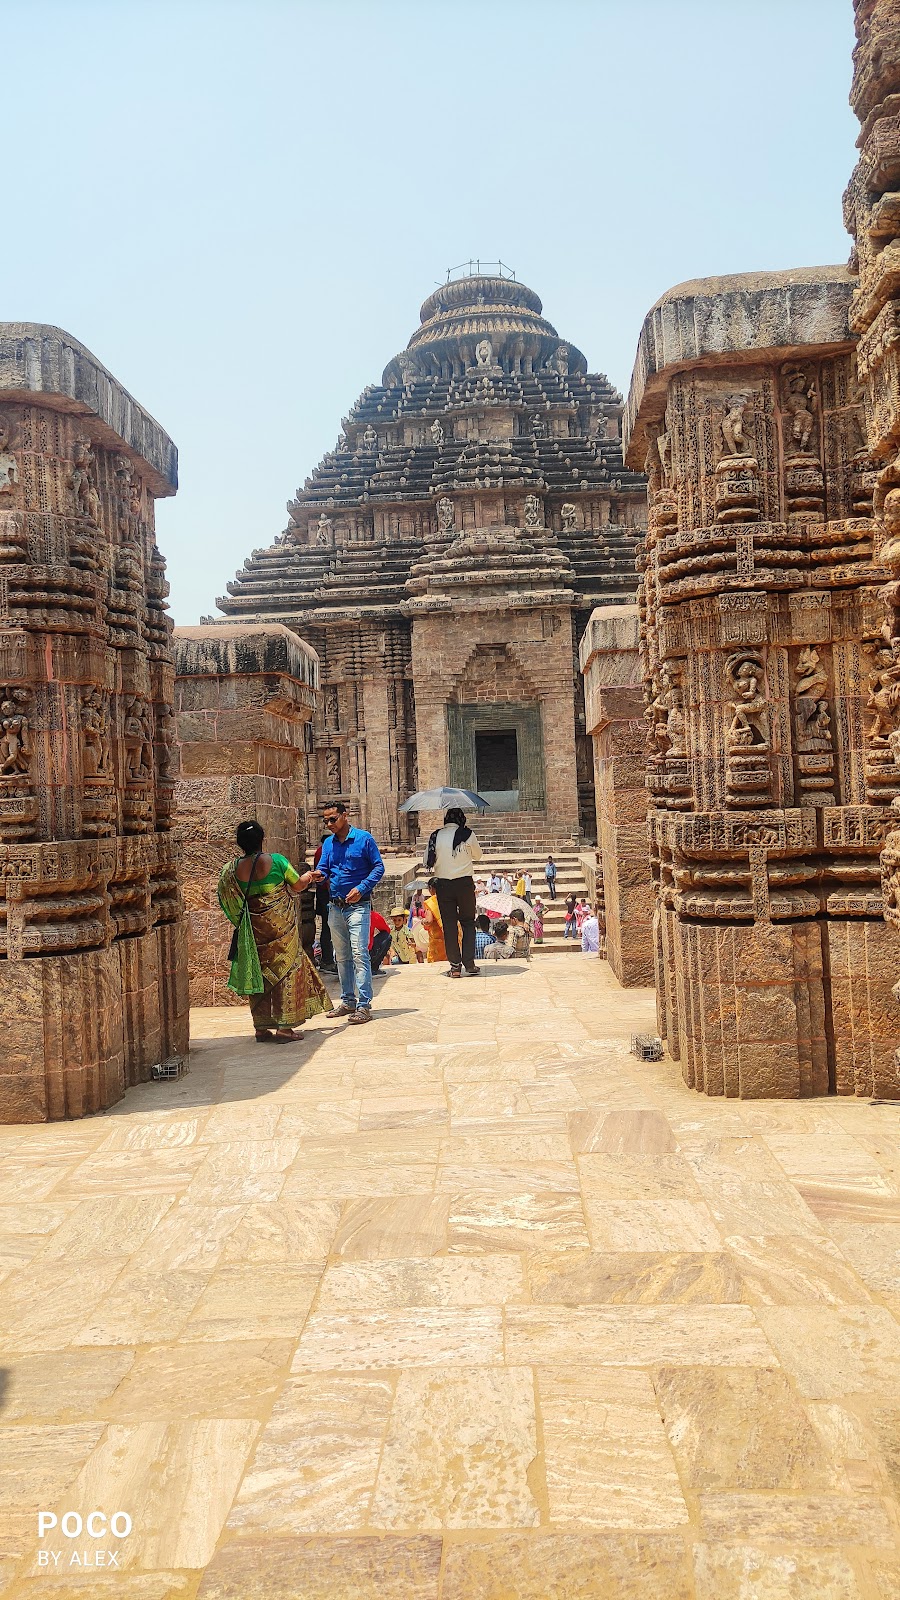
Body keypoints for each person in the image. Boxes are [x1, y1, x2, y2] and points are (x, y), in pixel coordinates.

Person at [217, 819, 329, 1043]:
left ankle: (261, 1028)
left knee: (260, 975)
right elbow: (297, 886)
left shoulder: (231, 870)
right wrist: (309, 877)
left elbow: (225, 897)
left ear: (240, 844)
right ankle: (285, 1029)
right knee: (286, 973)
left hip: (254, 933)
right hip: (282, 931)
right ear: (261, 839)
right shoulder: (276, 861)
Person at [313, 801, 385, 1026]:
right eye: (325, 821)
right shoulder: (328, 845)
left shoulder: (364, 839)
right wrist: (318, 875)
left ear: (345, 816)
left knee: (359, 954)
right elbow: (325, 869)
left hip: (358, 906)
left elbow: (378, 867)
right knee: (341, 957)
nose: (329, 824)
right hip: (335, 906)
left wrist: (361, 888)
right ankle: (348, 1000)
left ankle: (364, 1004)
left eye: (333, 819)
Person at [425, 805, 482, 977]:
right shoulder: (468, 834)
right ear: (461, 819)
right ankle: (470, 964)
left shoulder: (435, 836)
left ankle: (455, 967)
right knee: (468, 923)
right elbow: (478, 855)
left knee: (449, 925)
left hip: (443, 886)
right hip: (464, 884)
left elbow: (428, 859)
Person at [312, 833, 336, 972]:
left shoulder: (319, 852)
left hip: (324, 892)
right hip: (327, 893)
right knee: (329, 926)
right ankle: (327, 959)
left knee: (328, 926)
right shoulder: (323, 851)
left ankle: (328, 959)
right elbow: (324, 874)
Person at [422, 877, 447, 963]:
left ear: (431, 888)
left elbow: (429, 921)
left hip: (437, 939)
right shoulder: (448, 899)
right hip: (450, 936)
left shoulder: (431, 902)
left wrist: (423, 921)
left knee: (436, 963)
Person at [368, 908, 393, 975]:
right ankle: (374, 968)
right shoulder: (372, 915)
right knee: (387, 937)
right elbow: (386, 930)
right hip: (366, 953)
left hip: (347, 956)